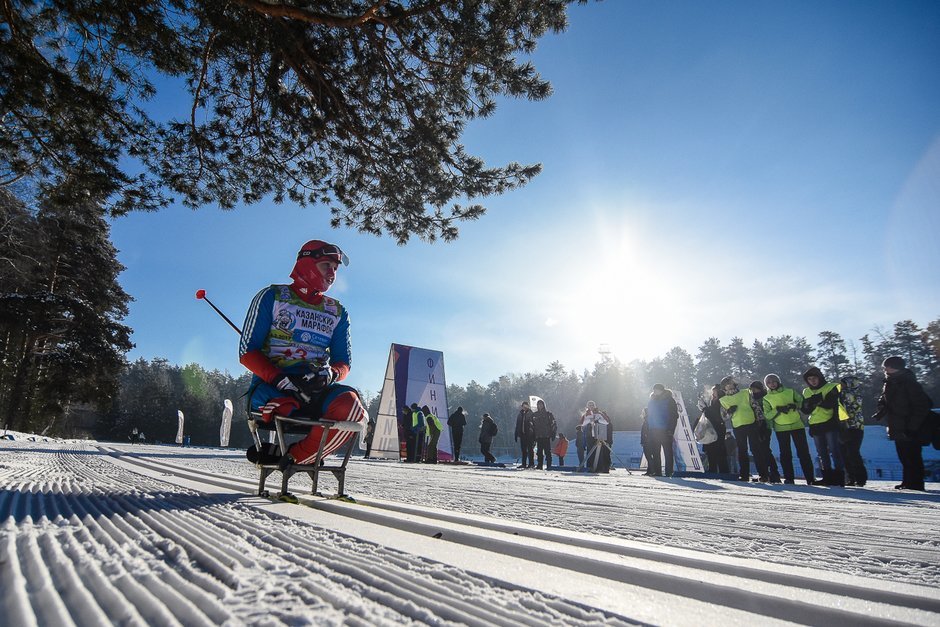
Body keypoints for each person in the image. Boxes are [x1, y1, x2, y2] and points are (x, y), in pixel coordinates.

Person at [239, 240, 367, 466]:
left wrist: (330, 375)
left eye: (335, 269)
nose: (332, 273)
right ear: (307, 262)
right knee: (285, 408)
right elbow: (247, 352)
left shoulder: (336, 311)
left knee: (352, 408)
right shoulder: (273, 297)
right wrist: (280, 379)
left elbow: (343, 362)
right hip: (273, 386)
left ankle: (292, 457)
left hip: (315, 388)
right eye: (326, 265)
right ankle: (296, 456)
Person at [874, 356, 933, 491]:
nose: (884, 368)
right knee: (903, 455)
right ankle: (907, 481)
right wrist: (882, 409)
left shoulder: (908, 382)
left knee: (913, 455)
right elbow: (886, 401)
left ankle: (916, 482)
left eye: (886, 366)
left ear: (894, 367)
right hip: (897, 425)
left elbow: (922, 405)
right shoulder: (889, 382)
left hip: (910, 425)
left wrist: (912, 427)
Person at [762, 374, 816, 485]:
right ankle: (789, 478)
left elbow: (802, 402)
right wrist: (777, 409)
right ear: (766, 385)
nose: (772, 384)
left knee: (803, 452)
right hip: (781, 427)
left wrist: (794, 405)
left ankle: (810, 478)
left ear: (778, 381)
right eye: (769, 383)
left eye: (774, 381)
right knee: (785, 453)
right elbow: (767, 415)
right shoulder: (766, 398)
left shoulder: (790, 391)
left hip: (797, 425)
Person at [801, 366, 845, 486]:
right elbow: (805, 410)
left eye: (814, 378)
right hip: (815, 424)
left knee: (835, 451)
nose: (812, 381)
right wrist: (809, 404)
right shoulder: (806, 391)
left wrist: (818, 401)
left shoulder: (831, 386)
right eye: (809, 379)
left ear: (819, 377)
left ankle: (840, 477)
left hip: (830, 422)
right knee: (821, 453)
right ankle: (827, 477)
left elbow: (831, 404)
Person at [718, 376, 768, 482]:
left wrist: (761, 421)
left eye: (731, 383)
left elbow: (756, 407)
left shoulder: (745, 393)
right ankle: (744, 474)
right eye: (727, 385)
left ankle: (763, 474)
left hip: (751, 424)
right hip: (738, 426)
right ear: (724, 388)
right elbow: (724, 417)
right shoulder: (723, 400)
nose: (729, 386)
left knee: (756, 449)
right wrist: (730, 411)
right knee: (742, 450)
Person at [749, 380, 781, 483]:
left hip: (765, 426)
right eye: (752, 389)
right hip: (753, 426)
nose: (754, 391)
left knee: (765, 450)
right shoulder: (750, 399)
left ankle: (774, 473)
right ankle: (762, 474)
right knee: (755, 451)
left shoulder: (765, 398)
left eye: (756, 388)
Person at [839, 375, 867, 487]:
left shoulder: (851, 394)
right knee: (845, 453)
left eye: (843, 384)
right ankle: (851, 477)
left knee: (852, 453)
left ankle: (859, 478)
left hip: (854, 427)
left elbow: (847, 406)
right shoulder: (845, 393)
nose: (841, 386)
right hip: (846, 427)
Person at [646, 384, 679, 477]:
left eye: (656, 390)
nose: (655, 391)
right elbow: (649, 415)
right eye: (654, 390)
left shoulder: (669, 400)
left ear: (661, 390)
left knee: (668, 452)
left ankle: (669, 471)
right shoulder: (651, 400)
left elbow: (674, 416)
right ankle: (657, 471)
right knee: (655, 452)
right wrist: (648, 428)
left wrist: (671, 430)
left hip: (665, 430)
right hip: (653, 430)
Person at [696, 385, 729, 475]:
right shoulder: (711, 401)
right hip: (710, 428)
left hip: (718, 427)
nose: (713, 393)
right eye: (712, 391)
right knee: (710, 450)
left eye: (715, 391)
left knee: (719, 449)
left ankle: (723, 471)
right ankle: (712, 469)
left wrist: (707, 410)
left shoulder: (722, 401)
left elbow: (721, 415)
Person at [580, 401, 612, 473]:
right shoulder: (586, 414)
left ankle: (599, 467)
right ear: (587, 406)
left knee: (599, 450)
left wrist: (598, 420)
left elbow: (607, 422)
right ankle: (590, 467)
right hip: (590, 434)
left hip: (598, 433)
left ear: (594, 406)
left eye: (592, 405)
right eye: (589, 405)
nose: (591, 406)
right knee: (590, 450)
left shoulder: (599, 413)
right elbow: (582, 423)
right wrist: (589, 419)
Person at [531, 399, 557, 469]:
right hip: (538, 436)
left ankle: (549, 465)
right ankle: (540, 465)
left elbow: (554, 424)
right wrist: (532, 435)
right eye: (538, 404)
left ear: (543, 405)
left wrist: (553, 433)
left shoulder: (548, 414)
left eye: (541, 404)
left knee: (547, 451)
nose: (540, 406)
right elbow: (531, 426)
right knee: (539, 452)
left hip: (546, 435)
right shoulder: (534, 415)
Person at [514, 401, 536, 468]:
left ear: (528, 406)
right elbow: (517, 425)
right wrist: (516, 434)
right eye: (523, 406)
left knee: (530, 450)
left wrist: (534, 435)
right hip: (522, 434)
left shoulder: (531, 414)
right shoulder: (520, 414)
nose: (525, 407)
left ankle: (531, 464)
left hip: (529, 435)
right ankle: (524, 463)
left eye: (526, 406)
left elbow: (534, 425)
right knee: (523, 450)